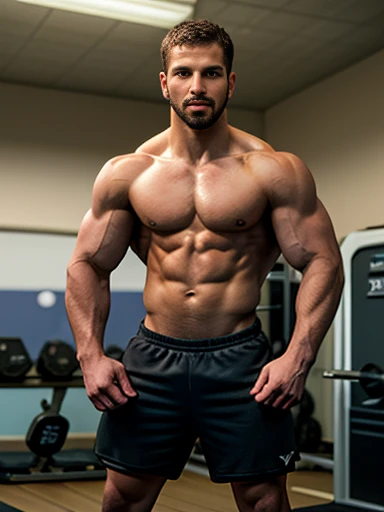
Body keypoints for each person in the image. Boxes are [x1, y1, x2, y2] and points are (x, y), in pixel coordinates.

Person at [65, 19, 344, 512]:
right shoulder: (129, 172)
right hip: (153, 358)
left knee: (263, 498)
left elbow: (322, 259)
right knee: (123, 496)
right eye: (184, 73)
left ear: (231, 82)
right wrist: (90, 355)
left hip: (240, 360)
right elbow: (86, 264)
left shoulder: (273, 169)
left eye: (212, 73)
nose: (197, 87)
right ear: (164, 81)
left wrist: (299, 356)